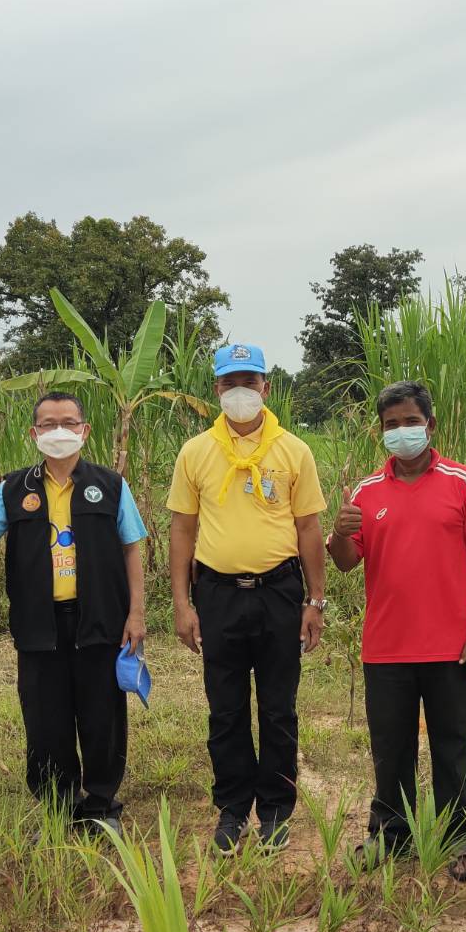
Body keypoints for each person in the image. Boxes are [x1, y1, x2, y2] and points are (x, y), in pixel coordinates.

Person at [328, 381, 466, 881]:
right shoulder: (365, 492)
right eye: (390, 424)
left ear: (431, 425)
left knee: (452, 742)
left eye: (410, 421)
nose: (401, 432)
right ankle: (389, 834)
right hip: (386, 648)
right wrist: (338, 531)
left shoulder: (461, 482)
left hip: (450, 645)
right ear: (380, 431)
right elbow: (344, 563)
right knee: (391, 746)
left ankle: (460, 834)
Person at [0, 392, 147, 834]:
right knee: (46, 721)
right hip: (39, 624)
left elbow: (131, 549)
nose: (58, 431)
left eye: (68, 422)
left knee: (103, 718)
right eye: (47, 424)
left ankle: (101, 806)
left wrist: (136, 614)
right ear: (34, 433)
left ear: (84, 430)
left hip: (99, 621)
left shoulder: (111, 485)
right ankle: (59, 808)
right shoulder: (12, 488)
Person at [166, 344, 327, 854]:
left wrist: (315, 601)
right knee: (226, 709)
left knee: (279, 708)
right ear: (216, 388)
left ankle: (276, 809)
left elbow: (308, 527)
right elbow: (181, 530)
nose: (241, 392)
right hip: (216, 592)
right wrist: (182, 603)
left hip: (279, 590)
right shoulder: (196, 451)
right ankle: (233, 808)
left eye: (250, 381)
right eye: (230, 382)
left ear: (266, 387)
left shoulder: (292, 450)